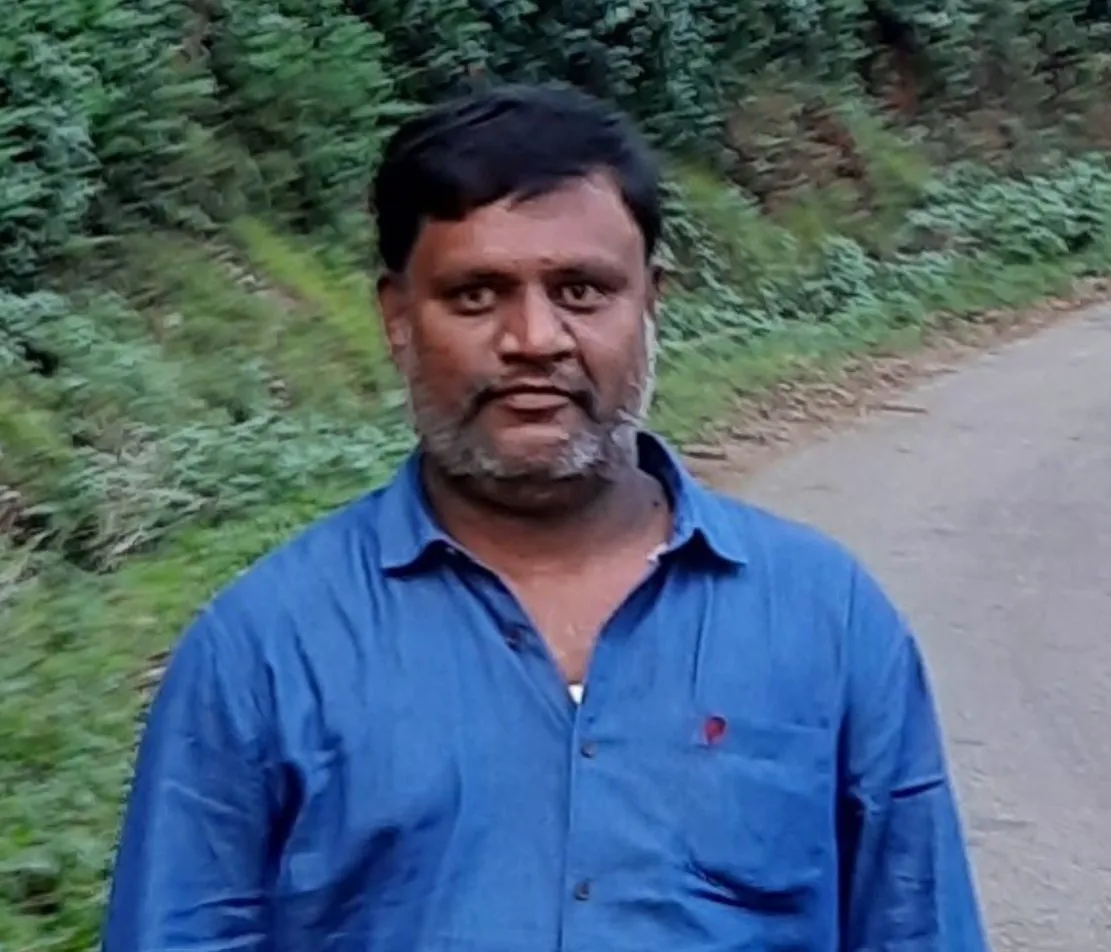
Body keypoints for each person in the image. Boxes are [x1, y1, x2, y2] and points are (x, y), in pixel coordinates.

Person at [103, 83, 988, 951]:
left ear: (651, 304)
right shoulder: (261, 651)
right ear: (397, 318)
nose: (534, 339)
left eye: (581, 291)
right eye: (476, 295)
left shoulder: (825, 620)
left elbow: (915, 925)